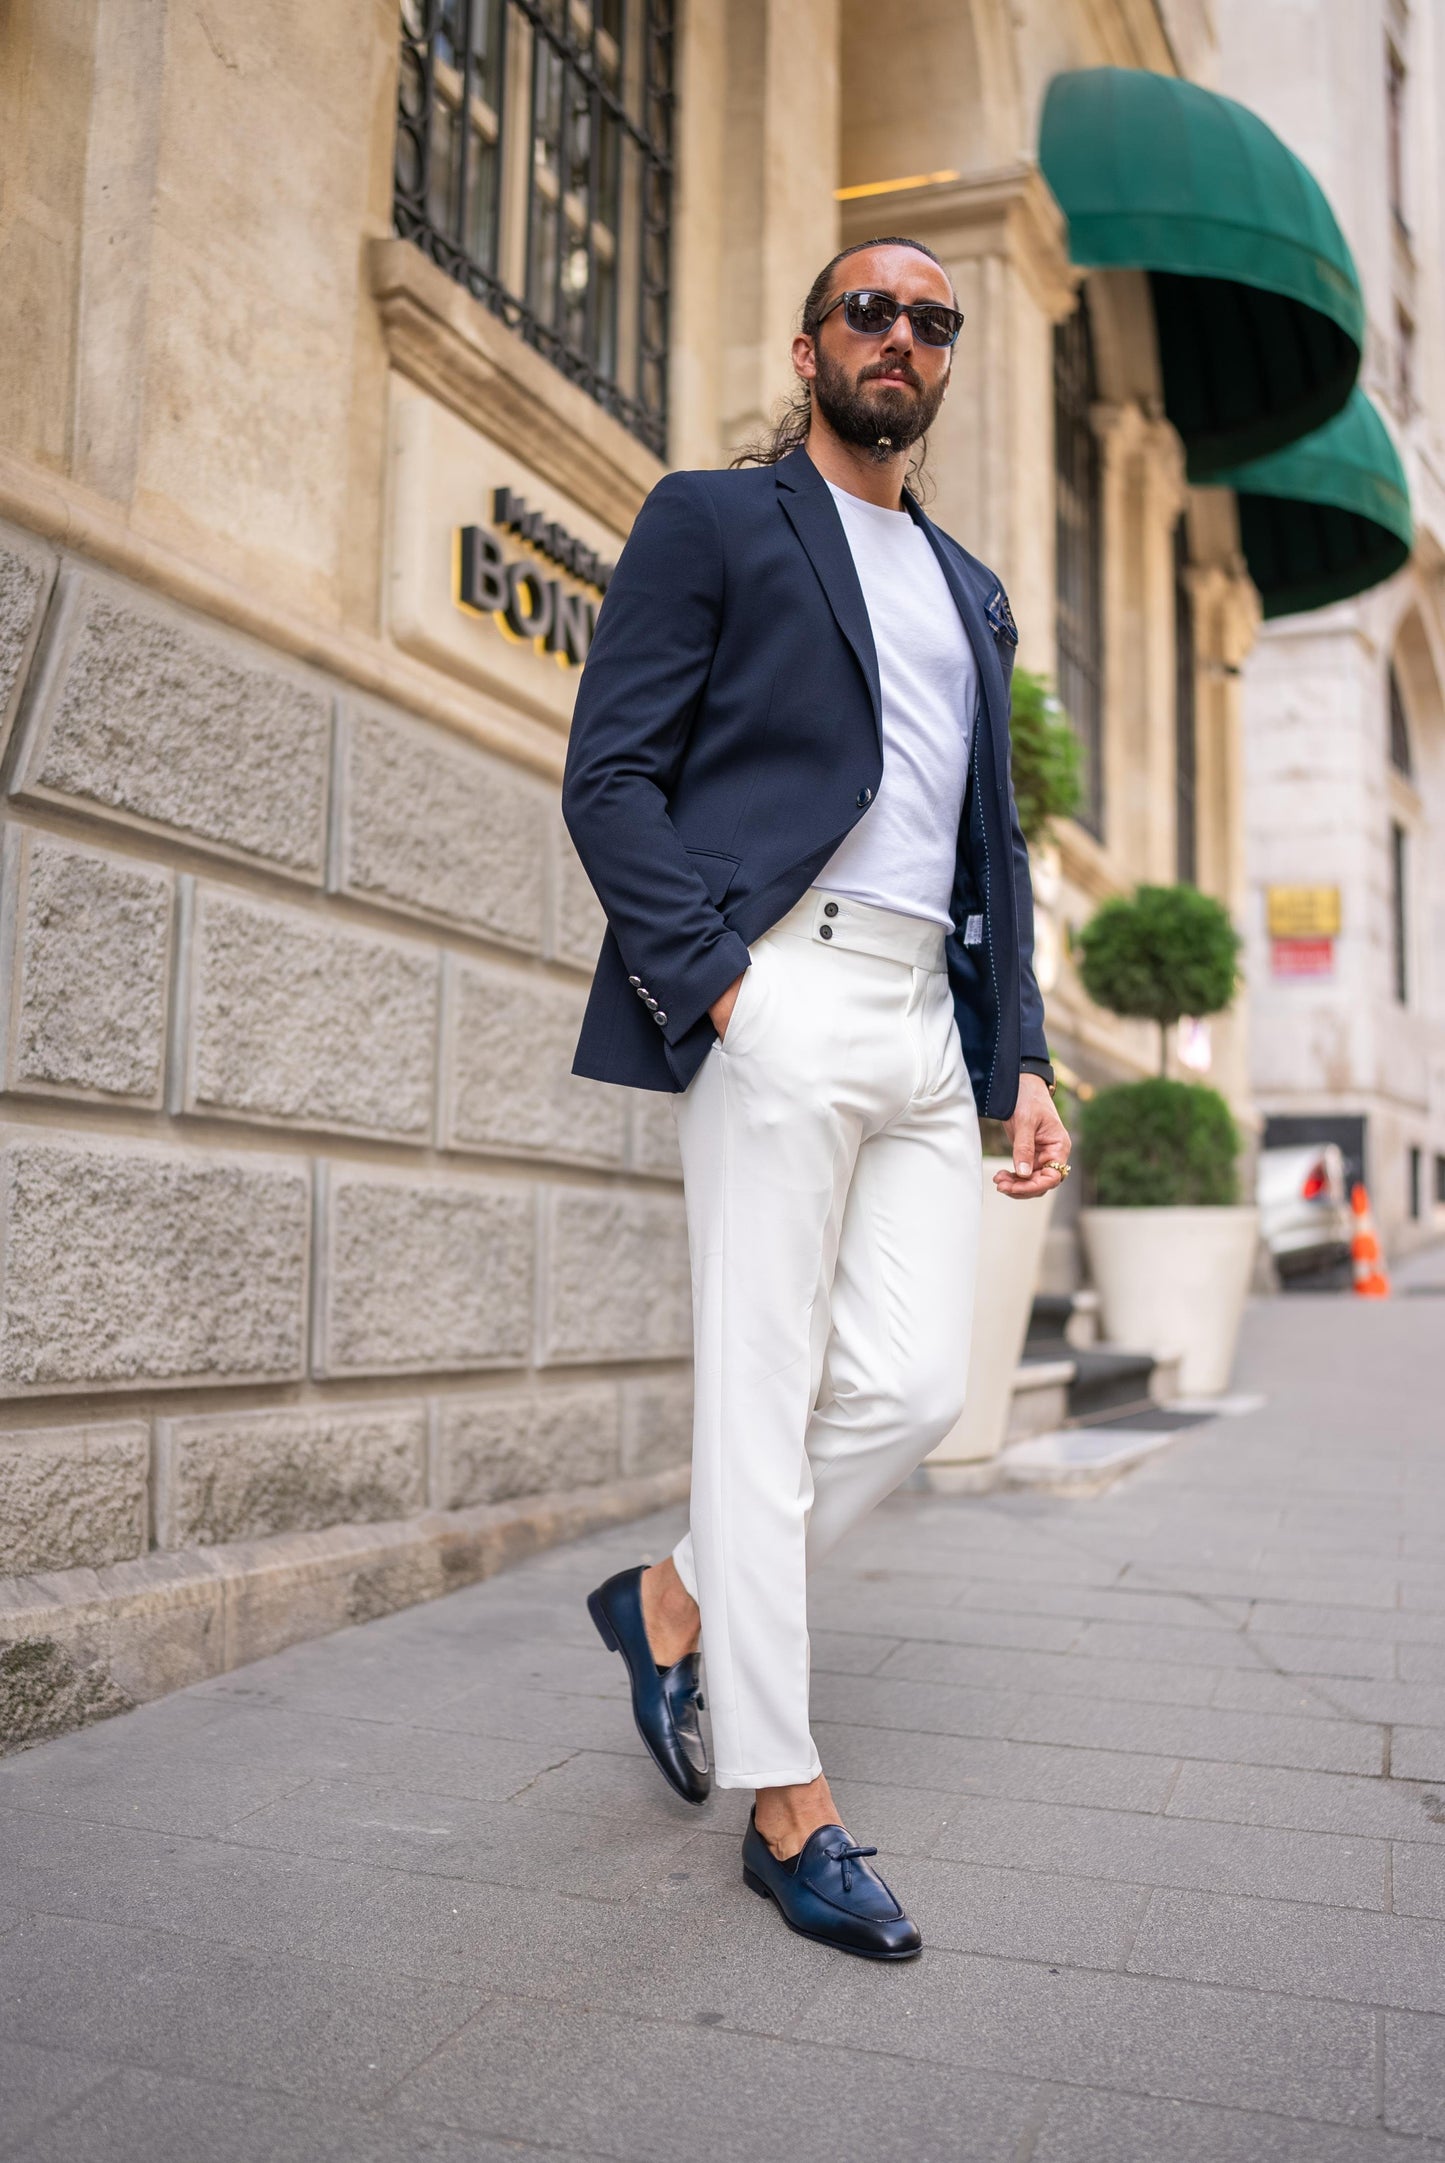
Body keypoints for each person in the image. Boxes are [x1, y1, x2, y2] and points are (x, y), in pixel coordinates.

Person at [562, 236, 1070, 1960]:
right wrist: (717, 978)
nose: (901, 338)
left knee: (920, 1386)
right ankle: (787, 1808)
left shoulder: (971, 587)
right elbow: (609, 771)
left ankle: (673, 1599)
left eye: (934, 322)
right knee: (761, 1392)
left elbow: (989, 844)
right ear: (808, 345)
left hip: (929, 1020)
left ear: (942, 368)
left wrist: (1023, 1053)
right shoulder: (715, 519)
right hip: (778, 985)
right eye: (871, 309)